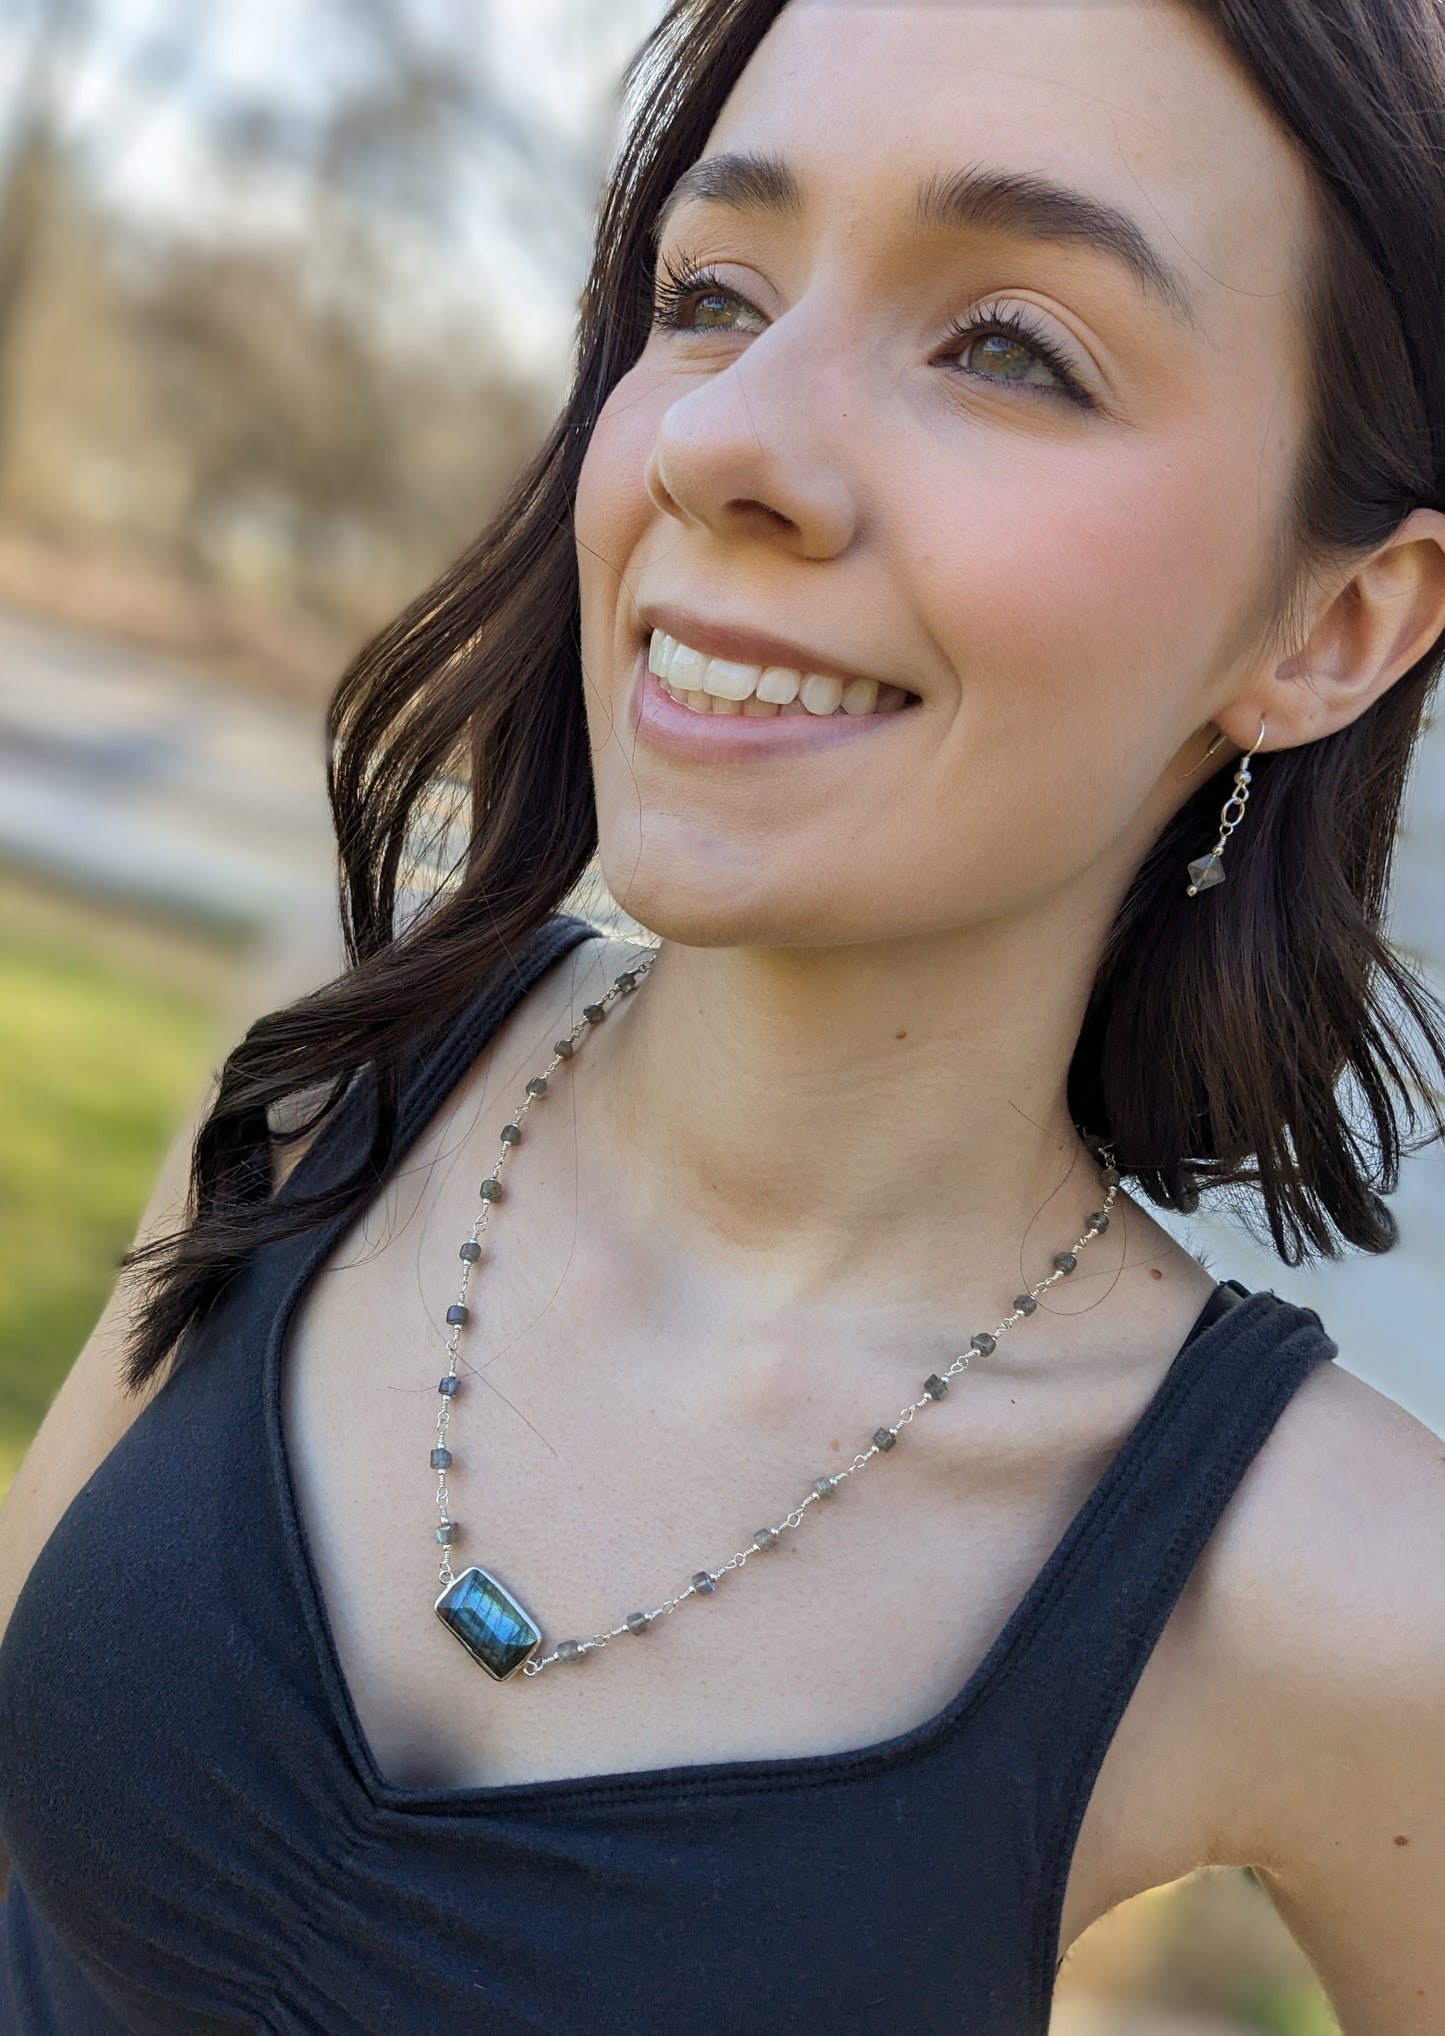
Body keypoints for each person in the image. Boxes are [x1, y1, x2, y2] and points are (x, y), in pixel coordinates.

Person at [1, 0, 1442, 2028]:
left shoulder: (1341, 1587)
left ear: (1332, 627)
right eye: (712, 293)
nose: (725, 438)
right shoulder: (333, 1081)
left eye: (1010, 347)